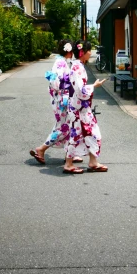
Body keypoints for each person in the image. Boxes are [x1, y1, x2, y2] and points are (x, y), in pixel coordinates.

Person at [29, 39, 82, 165]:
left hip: (61, 98)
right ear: (69, 51)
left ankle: (70, 153)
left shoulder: (62, 62)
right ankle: (41, 149)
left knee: (68, 125)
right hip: (61, 99)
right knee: (63, 127)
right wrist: (68, 85)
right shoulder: (61, 63)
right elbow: (57, 83)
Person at [63, 40, 108, 174]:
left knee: (89, 133)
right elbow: (80, 90)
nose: (90, 53)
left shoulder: (77, 66)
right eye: (89, 50)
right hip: (79, 108)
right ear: (82, 52)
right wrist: (94, 86)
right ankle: (69, 164)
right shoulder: (77, 67)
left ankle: (92, 161)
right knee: (80, 134)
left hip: (79, 107)